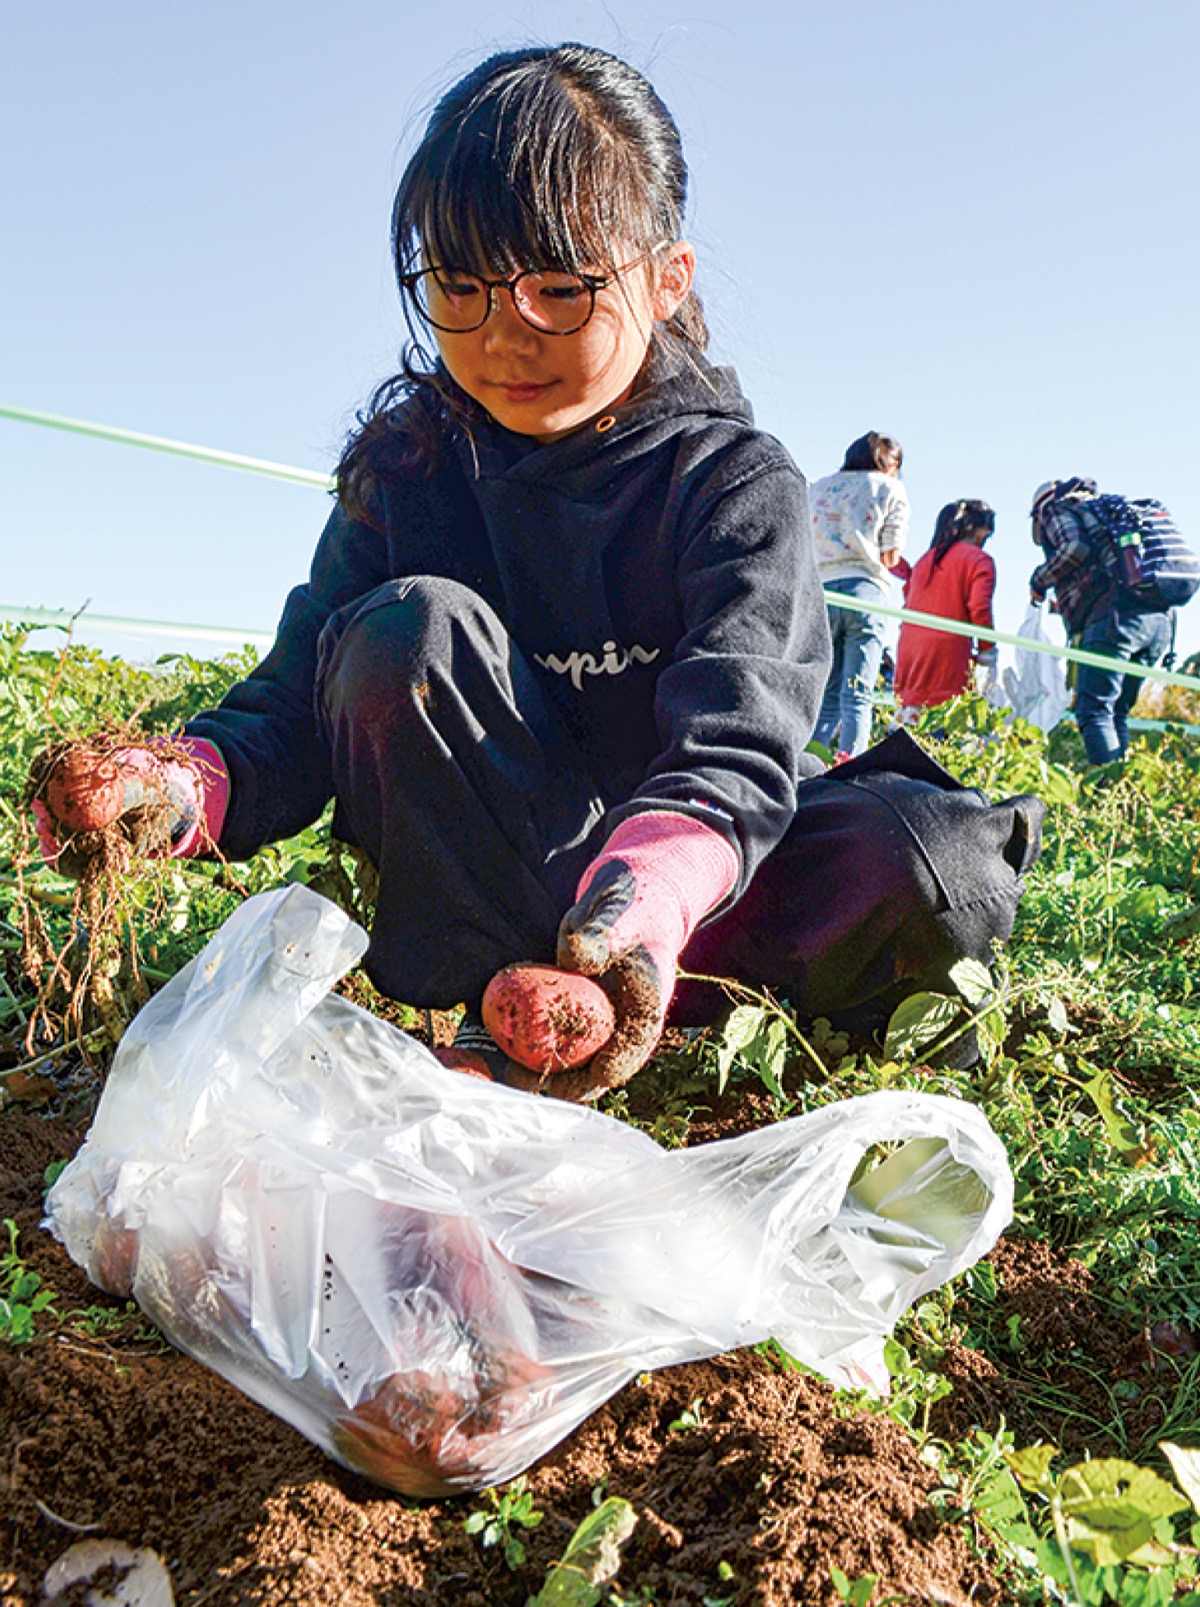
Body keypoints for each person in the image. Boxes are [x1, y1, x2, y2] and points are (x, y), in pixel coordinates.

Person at [31, 44, 1043, 1098]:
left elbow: (737, 747)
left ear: (664, 281)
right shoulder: (413, 467)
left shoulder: (734, 482)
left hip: (683, 887)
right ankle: (501, 1006)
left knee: (927, 857)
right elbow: (293, 706)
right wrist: (174, 785)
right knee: (402, 634)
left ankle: (635, 992)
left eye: (558, 289)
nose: (504, 335)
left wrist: (639, 908)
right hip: (508, 877)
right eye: (458, 286)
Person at [1029, 478, 1174, 765]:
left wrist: (1038, 581)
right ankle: (1124, 799)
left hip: (1116, 620)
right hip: (1158, 622)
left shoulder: (1056, 508)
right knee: (1115, 712)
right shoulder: (1107, 513)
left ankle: (1107, 798)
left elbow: (1074, 549)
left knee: (1093, 711)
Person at [809, 432, 910, 757]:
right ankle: (850, 767)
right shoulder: (889, 488)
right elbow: (890, 555)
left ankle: (810, 767)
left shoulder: (821, 487)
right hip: (865, 590)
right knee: (858, 693)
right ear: (889, 463)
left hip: (821, 592)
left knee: (825, 691)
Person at [893, 501, 998, 715]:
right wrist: (987, 650)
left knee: (910, 731)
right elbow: (980, 607)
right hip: (946, 662)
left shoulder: (925, 561)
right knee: (945, 731)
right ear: (983, 532)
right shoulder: (979, 559)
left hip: (909, 658)